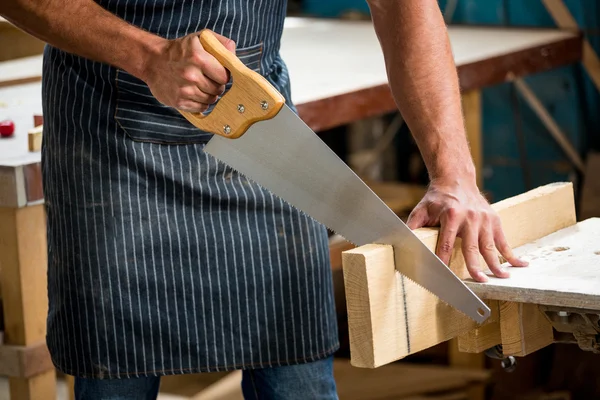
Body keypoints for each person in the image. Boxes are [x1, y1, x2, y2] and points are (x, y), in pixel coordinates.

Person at [1, 0, 527, 399]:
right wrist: (148, 56)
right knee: (116, 370)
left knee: (296, 365)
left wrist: (454, 175)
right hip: (111, 127)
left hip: (257, 121)